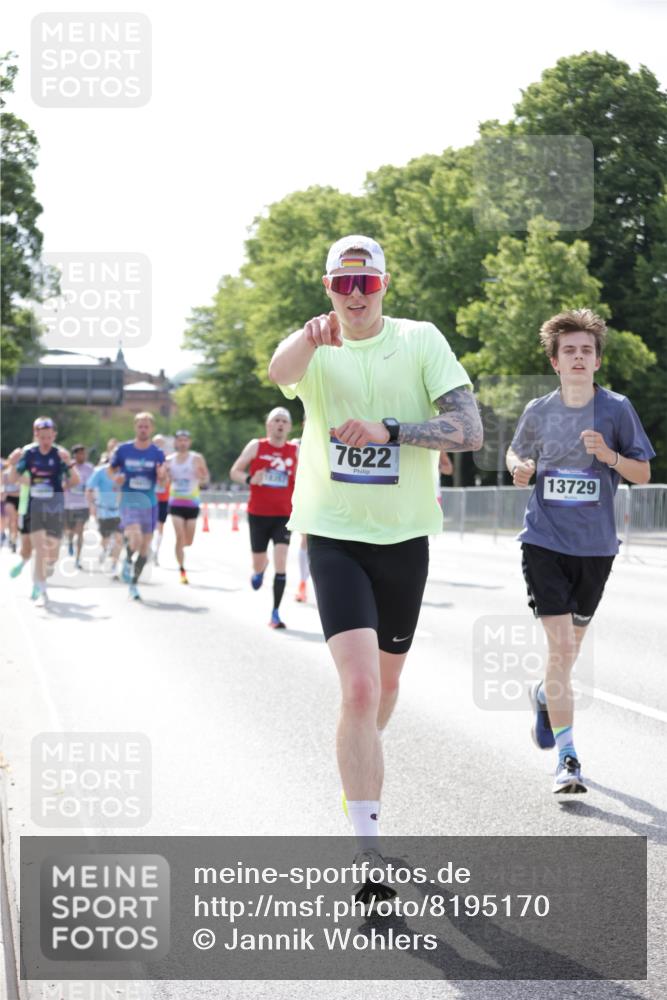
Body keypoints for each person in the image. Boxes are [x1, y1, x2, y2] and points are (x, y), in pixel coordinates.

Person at [268, 234, 482, 886]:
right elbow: (280, 373)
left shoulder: (419, 340)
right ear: (327, 286)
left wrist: (392, 430)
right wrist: (307, 339)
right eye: (343, 283)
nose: (355, 295)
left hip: (403, 539)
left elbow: (468, 431)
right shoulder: (313, 346)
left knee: (385, 688)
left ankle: (358, 759)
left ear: (384, 286)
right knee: (358, 687)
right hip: (331, 535)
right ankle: (366, 850)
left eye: (368, 284)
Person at [506, 309, 654, 796]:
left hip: (596, 548)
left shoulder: (616, 409)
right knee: (561, 648)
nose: (577, 357)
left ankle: (545, 695)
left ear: (596, 361)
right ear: (554, 361)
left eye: (586, 350)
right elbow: (515, 452)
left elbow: (642, 474)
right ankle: (568, 758)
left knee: (568, 654)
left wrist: (610, 456)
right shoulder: (538, 410)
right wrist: (520, 467)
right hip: (544, 541)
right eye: (568, 350)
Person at [230, 407, 298, 628]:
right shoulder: (256, 446)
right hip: (258, 514)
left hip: (284, 515)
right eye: (276, 420)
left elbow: (307, 480)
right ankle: (260, 568)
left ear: (289, 427)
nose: (280, 424)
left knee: (282, 560)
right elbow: (235, 472)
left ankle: (275, 613)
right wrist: (251, 479)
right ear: (268, 425)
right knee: (258, 564)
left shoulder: (295, 450)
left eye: (284, 421)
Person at [9, 416, 79, 605]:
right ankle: (41, 589)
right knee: (39, 548)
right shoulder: (29, 454)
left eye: (49, 437)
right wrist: (13, 463)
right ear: (36, 435)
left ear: (54, 435)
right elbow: (13, 479)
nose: (46, 441)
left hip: (55, 506)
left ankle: (42, 575)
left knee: (52, 553)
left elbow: (74, 482)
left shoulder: (59, 455)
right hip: (34, 506)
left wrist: (70, 465)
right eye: (42, 437)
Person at [108, 413, 166, 600]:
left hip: (150, 503)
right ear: (135, 427)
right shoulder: (123, 450)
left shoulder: (157, 453)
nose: (143, 429)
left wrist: (162, 474)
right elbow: (111, 470)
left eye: (146, 427)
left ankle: (133, 582)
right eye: (140, 426)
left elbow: (163, 478)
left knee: (144, 549)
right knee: (135, 539)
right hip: (129, 501)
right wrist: (116, 479)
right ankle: (126, 560)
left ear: (152, 429)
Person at [166, 430, 210, 584]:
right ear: (176, 443)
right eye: (180, 440)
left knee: (188, 541)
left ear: (189, 442)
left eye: (186, 440)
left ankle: (180, 549)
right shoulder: (169, 460)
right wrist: (164, 476)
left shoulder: (196, 458)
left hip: (192, 503)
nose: (183, 443)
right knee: (179, 536)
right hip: (176, 503)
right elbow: (164, 481)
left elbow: (205, 480)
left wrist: (202, 476)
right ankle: (182, 570)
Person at [86, 440, 123, 578]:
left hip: (120, 511)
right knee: (106, 539)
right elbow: (89, 489)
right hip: (103, 510)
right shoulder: (100, 472)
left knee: (119, 539)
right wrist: (92, 506)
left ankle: (114, 566)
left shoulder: (124, 473)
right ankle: (105, 550)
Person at [64, 445, 95, 569]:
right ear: (74, 455)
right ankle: (70, 541)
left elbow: (93, 486)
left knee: (80, 530)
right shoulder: (68, 467)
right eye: (80, 453)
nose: (82, 456)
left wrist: (93, 501)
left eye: (84, 453)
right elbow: (62, 482)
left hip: (83, 504)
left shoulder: (90, 468)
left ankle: (78, 558)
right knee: (69, 530)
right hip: (68, 504)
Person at [152, 433, 170, 565]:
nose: (158, 445)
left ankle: (156, 553)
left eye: (160, 443)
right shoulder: (148, 458)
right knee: (148, 526)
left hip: (163, 498)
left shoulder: (168, 460)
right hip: (149, 498)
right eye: (156, 442)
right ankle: (147, 549)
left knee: (160, 526)